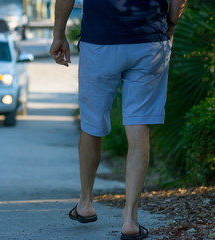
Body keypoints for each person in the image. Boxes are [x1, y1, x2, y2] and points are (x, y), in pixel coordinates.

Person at [50, 0, 187, 239]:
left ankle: (85, 204)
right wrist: (170, 26)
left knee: (92, 125)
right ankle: (130, 220)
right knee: (138, 126)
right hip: (149, 40)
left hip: (99, 42)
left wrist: (59, 34)